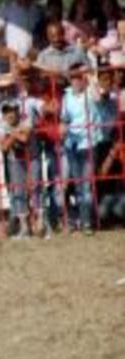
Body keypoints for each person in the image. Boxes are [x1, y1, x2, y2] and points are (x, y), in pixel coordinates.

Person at [60, 64, 102, 234]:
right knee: (77, 185)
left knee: (86, 185)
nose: (77, 80)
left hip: (89, 143)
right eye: (74, 77)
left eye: (79, 76)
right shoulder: (67, 95)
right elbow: (65, 118)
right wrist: (63, 127)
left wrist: (91, 76)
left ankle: (86, 222)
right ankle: (80, 220)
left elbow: (99, 98)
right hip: (72, 143)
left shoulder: (90, 92)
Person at [0, 102, 33, 238]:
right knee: (17, 193)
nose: (10, 114)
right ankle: (23, 227)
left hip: (31, 160)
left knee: (30, 192)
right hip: (15, 161)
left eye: (12, 110)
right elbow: (4, 147)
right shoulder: (2, 125)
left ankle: (31, 226)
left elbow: (25, 138)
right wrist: (16, 133)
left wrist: (11, 134)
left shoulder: (26, 119)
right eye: (7, 112)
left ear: (18, 111)